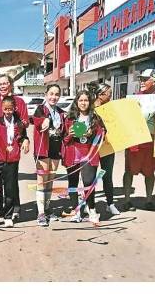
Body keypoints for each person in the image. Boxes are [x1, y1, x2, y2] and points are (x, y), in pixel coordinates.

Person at [0, 96, 30, 228]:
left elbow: (22, 136)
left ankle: (8, 216)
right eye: (5, 109)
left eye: (10, 109)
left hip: (12, 159)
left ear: (14, 108)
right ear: (1, 108)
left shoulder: (19, 123)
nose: (8, 112)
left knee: (10, 189)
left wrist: (24, 140)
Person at [61, 90, 103, 224]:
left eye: (86, 100)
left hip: (89, 153)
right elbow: (64, 139)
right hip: (73, 153)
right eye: (80, 100)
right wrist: (70, 135)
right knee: (73, 183)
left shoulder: (95, 118)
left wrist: (93, 132)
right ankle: (76, 211)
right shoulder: (69, 118)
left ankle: (92, 210)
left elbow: (103, 133)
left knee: (88, 183)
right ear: (76, 102)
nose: (83, 103)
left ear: (90, 102)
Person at [123, 68, 155, 212]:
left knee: (150, 173)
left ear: (154, 81)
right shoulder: (134, 98)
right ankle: (126, 200)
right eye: (141, 79)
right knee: (129, 171)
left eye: (145, 79)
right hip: (135, 142)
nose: (142, 82)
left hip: (152, 142)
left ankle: (149, 200)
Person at [32, 84, 65, 227]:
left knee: (50, 180)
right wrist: (43, 120)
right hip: (43, 149)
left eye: (57, 94)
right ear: (46, 94)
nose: (54, 97)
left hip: (56, 149)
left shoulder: (60, 111)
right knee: (42, 181)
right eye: (51, 93)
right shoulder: (41, 109)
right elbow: (36, 120)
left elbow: (67, 128)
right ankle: (40, 213)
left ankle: (47, 208)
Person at [93, 83, 121, 216]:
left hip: (108, 147)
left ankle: (110, 203)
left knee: (107, 176)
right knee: (90, 177)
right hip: (92, 148)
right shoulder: (90, 108)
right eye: (109, 94)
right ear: (100, 95)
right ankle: (90, 205)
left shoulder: (111, 108)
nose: (110, 96)